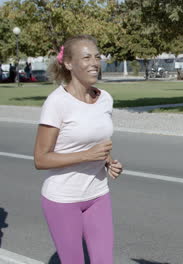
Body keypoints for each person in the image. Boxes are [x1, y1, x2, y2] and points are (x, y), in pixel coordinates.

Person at [33, 35, 123, 264]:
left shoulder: (105, 99)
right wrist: (87, 155)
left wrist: (108, 162)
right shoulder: (57, 103)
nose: (94, 62)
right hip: (63, 199)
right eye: (86, 57)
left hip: (98, 195)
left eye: (97, 57)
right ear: (69, 63)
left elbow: (96, 141)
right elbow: (40, 159)